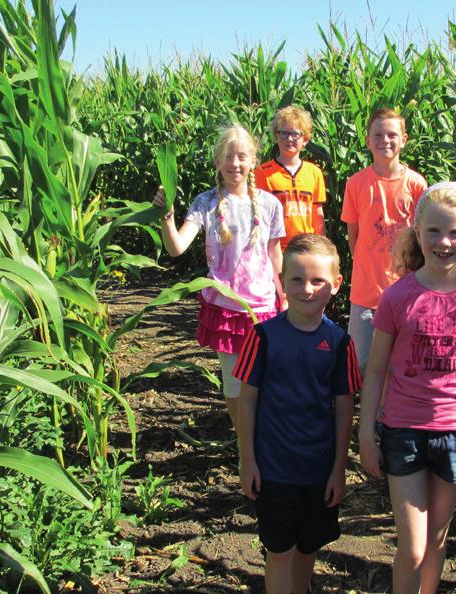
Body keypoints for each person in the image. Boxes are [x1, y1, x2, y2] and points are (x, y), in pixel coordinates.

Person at [358, 182, 456, 594]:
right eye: (433, 231)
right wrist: (365, 433)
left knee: (436, 541)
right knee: (411, 548)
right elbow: (375, 371)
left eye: (455, 233)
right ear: (416, 232)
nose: (443, 242)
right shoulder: (398, 296)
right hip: (404, 430)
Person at [235, 233, 362, 594]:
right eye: (297, 279)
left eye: (318, 280)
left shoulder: (340, 344)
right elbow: (247, 400)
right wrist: (247, 460)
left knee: (309, 546)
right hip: (273, 469)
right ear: (282, 280)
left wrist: (339, 468)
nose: (307, 288)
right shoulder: (263, 337)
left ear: (336, 285)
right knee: (279, 551)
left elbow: (343, 408)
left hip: (318, 471)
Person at [153, 124, 285, 434]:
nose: (234, 164)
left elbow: (275, 253)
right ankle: (244, 441)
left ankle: (263, 436)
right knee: (234, 381)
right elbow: (176, 247)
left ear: (253, 160)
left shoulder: (269, 204)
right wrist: (166, 217)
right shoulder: (205, 203)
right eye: (228, 156)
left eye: (241, 156)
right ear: (217, 161)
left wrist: (285, 295)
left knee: (264, 378)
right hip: (225, 307)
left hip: (263, 306)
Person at [340, 108, 427, 373]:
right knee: (361, 363)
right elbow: (353, 235)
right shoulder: (356, 183)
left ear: (404, 139)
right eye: (378, 135)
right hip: (365, 293)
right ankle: (367, 414)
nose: (385, 141)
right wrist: (366, 268)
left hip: (405, 291)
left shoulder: (416, 184)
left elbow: (421, 238)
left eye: (392, 135)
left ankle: (389, 414)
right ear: (367, 141)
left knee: (400, 364)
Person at [255, 106, 327, 252]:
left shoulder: (314, 172)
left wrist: (321, 249)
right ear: (276, 136)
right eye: (284, 134)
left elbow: (317, 215)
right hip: (275, 249)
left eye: (295, 134)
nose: (289, 139)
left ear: (305, 139)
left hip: (306, 248)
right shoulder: (262, 173)